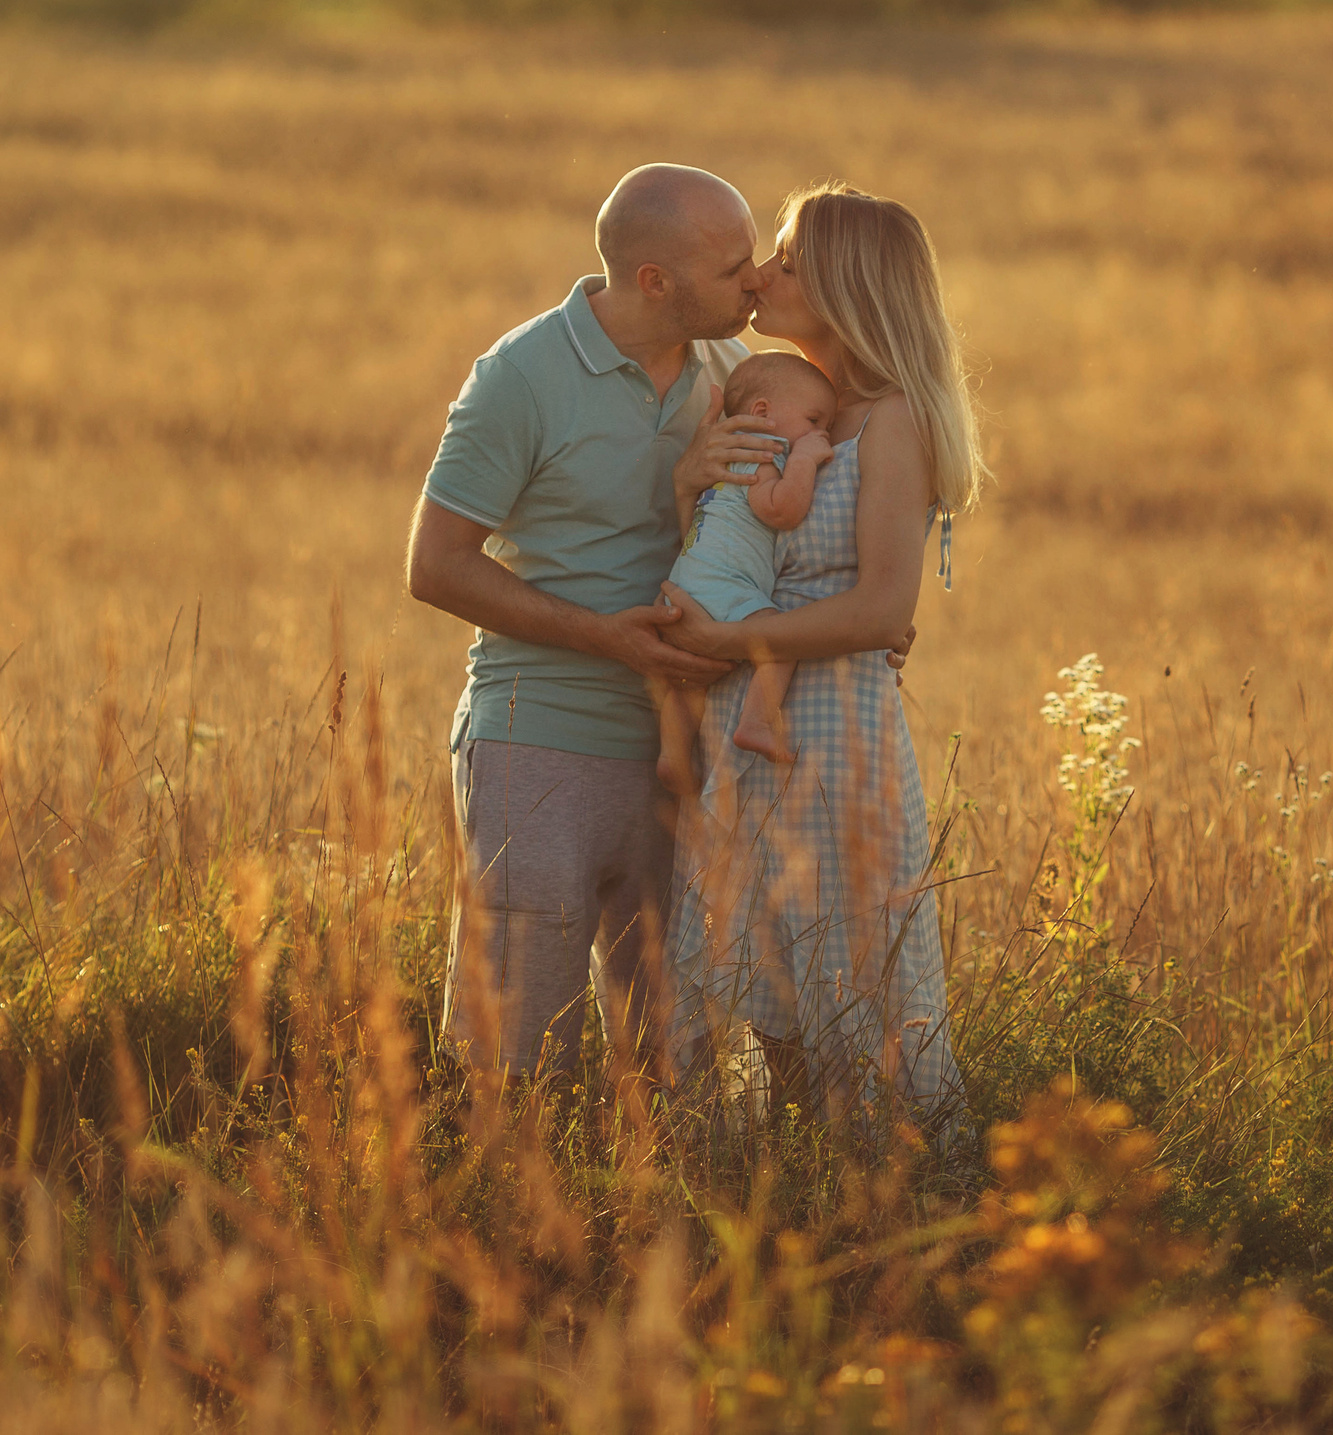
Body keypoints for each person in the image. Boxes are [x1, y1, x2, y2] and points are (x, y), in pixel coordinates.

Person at [405, 163, 786, 1081]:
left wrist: (868, 620)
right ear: (656, 281)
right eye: (734, 265)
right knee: (519, 1058)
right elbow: (435, 565)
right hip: (540, 740)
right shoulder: (522, 376)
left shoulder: (738, 372)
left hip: (692, 754)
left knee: (677, 1065)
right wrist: (605, 637)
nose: (758, 280)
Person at [658, 182, 984, 1132]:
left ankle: (893, 1203)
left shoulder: (891, 422)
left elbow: (883, 607)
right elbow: (720, 549)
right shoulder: (785, 406)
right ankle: (802, 1195)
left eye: (790, 261)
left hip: (835, 728)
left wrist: (734, 641)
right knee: (766, 984)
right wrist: (689, 484)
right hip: (747, 722)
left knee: (854, 983)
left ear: (847, 287)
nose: (764, 274)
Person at [658, 350, 840, 788]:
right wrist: (804, 460)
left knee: (688, 680)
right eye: (814, 421)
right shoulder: (765, 453)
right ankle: (756, 722)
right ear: (763, 413)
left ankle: (672, 753)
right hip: (724, 586)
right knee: (782, 639)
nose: (822, 434)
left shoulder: (726, 457)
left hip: (684, 584)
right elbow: (782, 510)